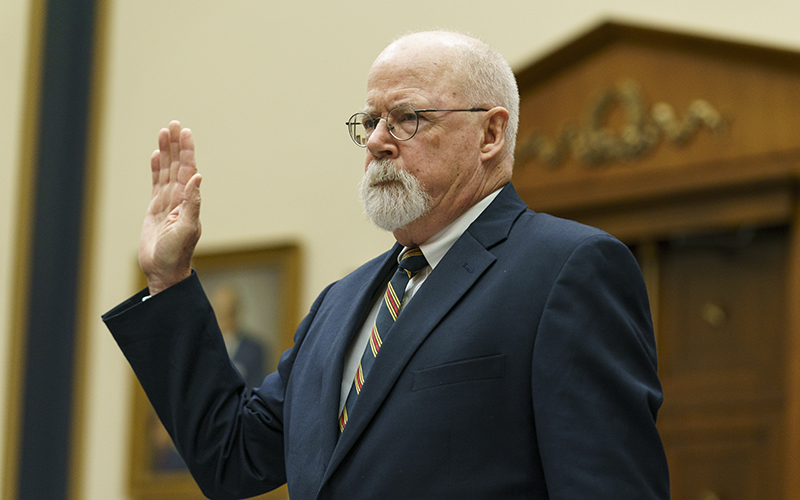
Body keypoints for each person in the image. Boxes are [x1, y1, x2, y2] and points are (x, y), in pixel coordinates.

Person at [103, 31, 670, 499]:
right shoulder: (340, 304)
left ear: (491, 134)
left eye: (406, 118)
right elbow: (232, 456)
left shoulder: (566, 270)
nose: (376, 141)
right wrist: (168, 279)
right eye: (369, 120)